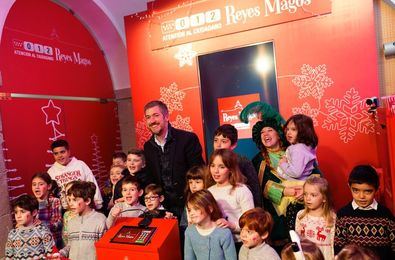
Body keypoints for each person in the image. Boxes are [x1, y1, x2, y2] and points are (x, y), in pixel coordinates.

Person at [143, 100, 205, 219]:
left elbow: (198, 172)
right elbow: (150, 177)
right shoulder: (148, 147)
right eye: (148, 117)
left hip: (189, 204)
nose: (152, 121)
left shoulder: (187, 139)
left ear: (166, 116)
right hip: (163, 207)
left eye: (156, 115)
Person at [251, 117, 303, 252]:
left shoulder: (297, 151)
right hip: (276, 218)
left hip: (302, 209)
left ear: (279, 134)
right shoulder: (258, 160)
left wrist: (305, 191)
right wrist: (285, 191)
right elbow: (257, 189)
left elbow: (316, 176)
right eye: (262, 132)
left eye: (270, 130)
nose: (266, 134)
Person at [334, 165, 395, 259]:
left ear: (376, 189)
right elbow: (339, 248)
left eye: (367, 191)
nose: (361, 196)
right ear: (349, 187)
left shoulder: (385, 215)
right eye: (356, 190)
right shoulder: (343, 215)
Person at [207, 149, 254, 251]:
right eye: (213, 165)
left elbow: (251, 223)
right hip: (217, 244)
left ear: (231, 169)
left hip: (240, 243)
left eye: (221, 167)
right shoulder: (208, 192)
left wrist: (231, 226)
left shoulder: (241, 190)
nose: (216, 171)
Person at [213, 124, 262, 207]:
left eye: (223, 141)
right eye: (216, 140)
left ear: (234, 145)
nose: (218, 145)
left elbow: (255, 190)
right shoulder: (211, 162)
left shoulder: (242, 162)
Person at [47, 139, 103, 210]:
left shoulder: (80, 165)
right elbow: (51, 195)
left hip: (84, 206)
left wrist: (98, 204)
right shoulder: (51, 172)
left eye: (62, 152)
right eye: (56, 153)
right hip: (65, 210)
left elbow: (92, 182)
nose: (59, 156)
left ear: (69, 152)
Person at [59, 181, 106, 260]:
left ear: (87, 201)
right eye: (69, 200)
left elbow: (104, 249)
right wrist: (61, 253)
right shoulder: (71, 222)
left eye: (75, 200)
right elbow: (70, 245)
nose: (70, 203)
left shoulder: (100, 219)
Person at [184, 190, 237, 260]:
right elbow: (189, 257)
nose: (191, 213)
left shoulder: (224, 233)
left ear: (209, 208)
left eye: (196, 209)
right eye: (190, 210)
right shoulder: (190, 231)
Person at [295, 176, 336, 259]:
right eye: (305, 194)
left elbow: (332, 244)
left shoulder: (331, 217)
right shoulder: (300, 215)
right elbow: (297, 241)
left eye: (313, 195)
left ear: (324, 198)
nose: (307, 198)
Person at [5, 195, 56, 259]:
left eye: (22, 212)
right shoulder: (12, 234)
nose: (18, 216)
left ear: (34, 212)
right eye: (16, 212)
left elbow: (51, 254)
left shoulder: (42, 231)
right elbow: (9, 256)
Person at [277, 114, 319, 181]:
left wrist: (283, 164)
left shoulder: (298, 149)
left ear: (304, 131)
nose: (288, 133)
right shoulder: (306, 147)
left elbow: (296, 173)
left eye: (293, 129)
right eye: (287, 129)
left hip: (296, 184)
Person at [31, 172, 63, 249]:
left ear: (48, 186)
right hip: (36, 245)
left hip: (52, 243)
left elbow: (58, 224)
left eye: (41, 184)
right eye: (34, 184)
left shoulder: (54, 201)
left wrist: (42, 224)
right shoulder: (30, 203)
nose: (37, 187)